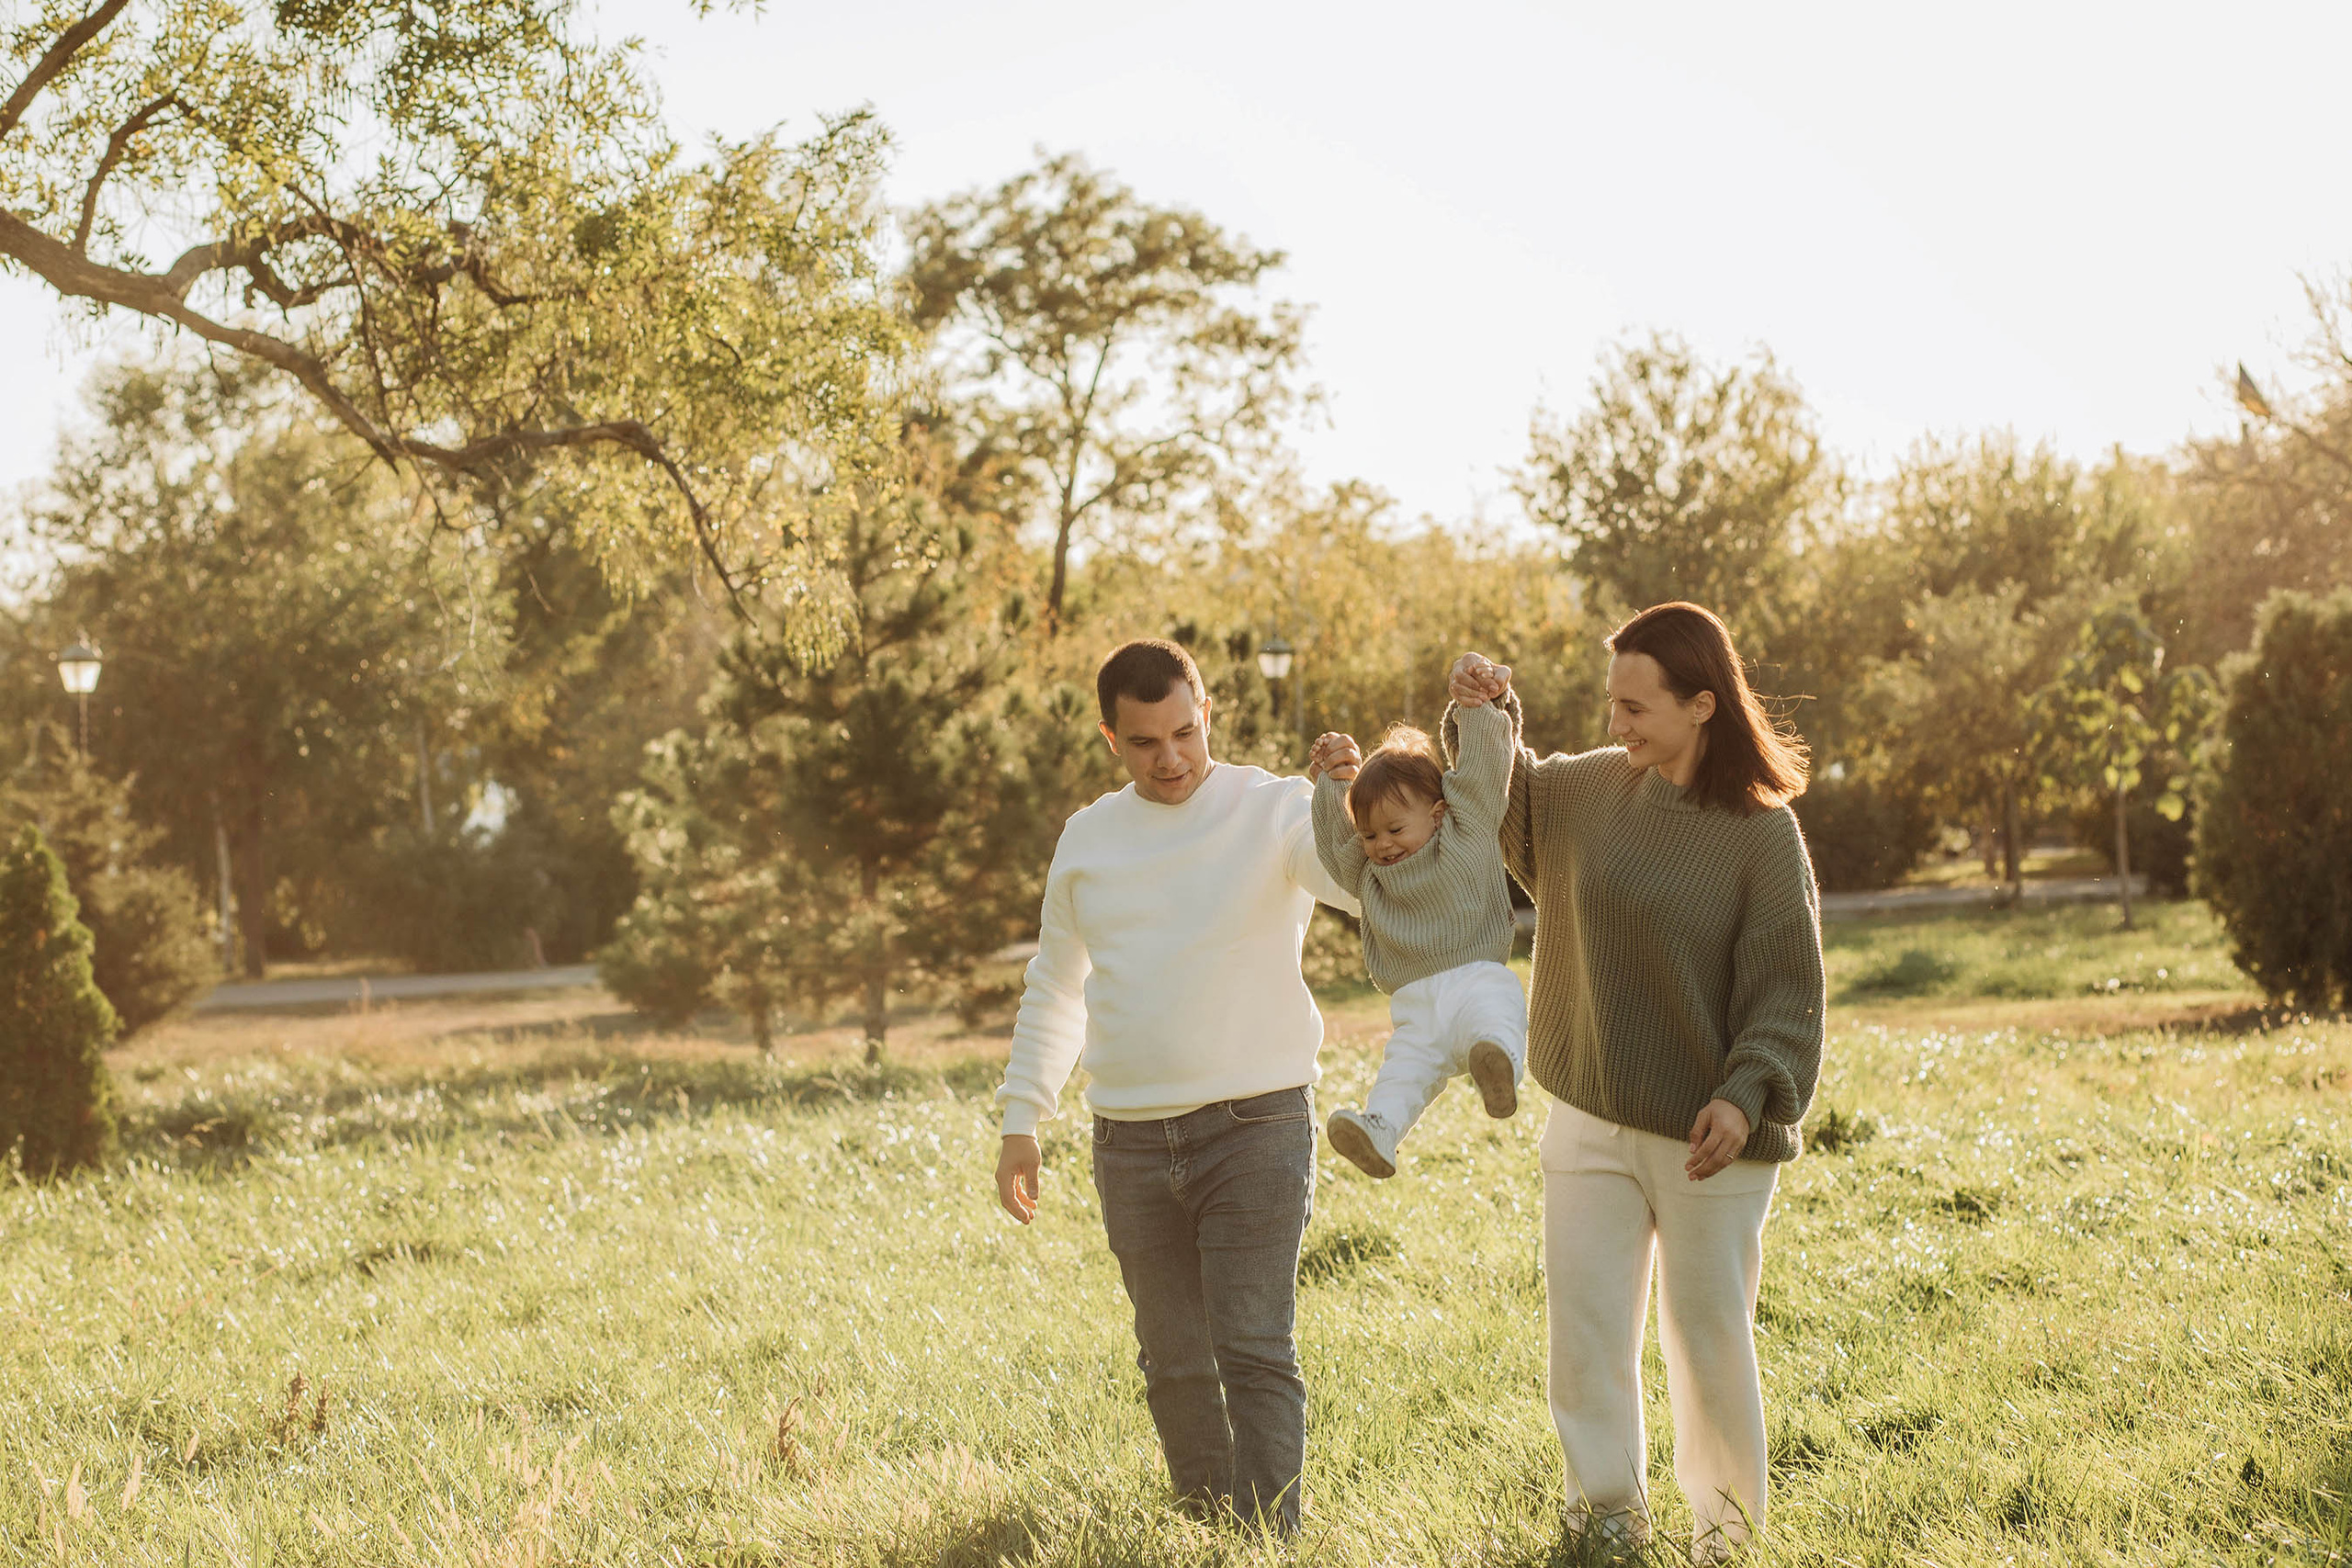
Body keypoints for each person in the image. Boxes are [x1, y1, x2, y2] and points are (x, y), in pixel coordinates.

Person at [1446, 604, 1825, 1562]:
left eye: (1635, 706)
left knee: (1707, 1343)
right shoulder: (1588, 791)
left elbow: (1787, 989)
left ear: (1702, 704)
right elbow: (1505, 797)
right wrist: (1488, 712)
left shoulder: (1759, 836)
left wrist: (1744, 1096)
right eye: (1609, 703)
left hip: (1710, 1137)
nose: (1616, 723)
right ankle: (1605, 1514)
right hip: (1588, 1114)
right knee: (1582, 1335)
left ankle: (1726, 1537)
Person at [989, 637, 1362, 1535]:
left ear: (1207, 716)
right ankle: (1205, 1524)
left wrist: (1341, 804)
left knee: (1250, 1343)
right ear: (1111, 738)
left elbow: (1354, 884)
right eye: (1147, 742)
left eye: (1186, 734)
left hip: (1257, 1124)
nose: (1172, 759)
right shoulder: (1089, 839)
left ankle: (1269, 1536)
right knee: (1173, 1357)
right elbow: (1056, 985)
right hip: (1128, 1138)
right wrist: (1020, 1118)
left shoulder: (1272, 809)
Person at [1302, 706, 1526, 1179]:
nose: (1382, 844)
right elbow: (1334, 843)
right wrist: (1331, 780)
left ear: (1438, 813)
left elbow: (1486, 773)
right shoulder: (1368, 874)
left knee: (1494, 1006)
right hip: (1414, 1007)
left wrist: (1479, 708)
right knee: (1402, 1072)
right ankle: (1380, 1130)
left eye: (1395, 829)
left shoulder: (1467, 833)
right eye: (1370, 834)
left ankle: (1496, 1062)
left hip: (1475, 974)